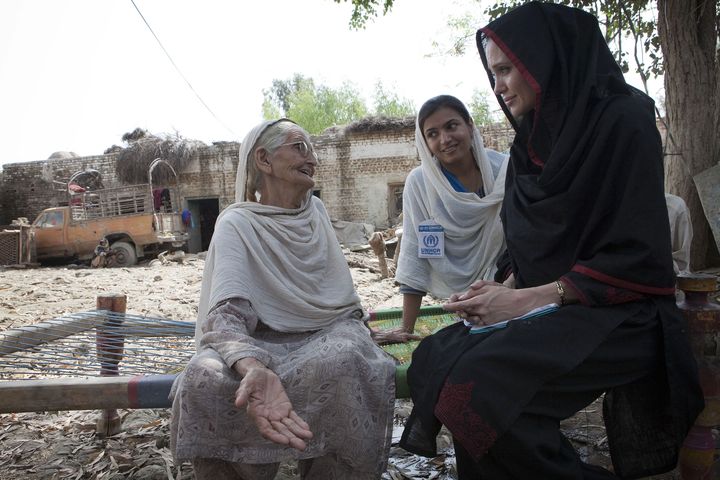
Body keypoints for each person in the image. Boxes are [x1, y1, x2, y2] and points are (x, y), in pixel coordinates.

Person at [399, 3, 703, 479]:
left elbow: (637, 252)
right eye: (492, 72)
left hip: (621, 311)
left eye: (505, 69)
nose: (496, 86)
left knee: (482, 390)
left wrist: (527, 301)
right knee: (438, 359)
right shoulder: (531, 143)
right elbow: (531, 244)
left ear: (545, 59)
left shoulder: (625, 120)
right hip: (551, 309)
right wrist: (502, 288)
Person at [170, 119, 396, 479]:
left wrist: (364, 332)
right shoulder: (236, 223)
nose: (312, 159)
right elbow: (227, 314)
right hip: (255, 339)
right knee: (204, 377)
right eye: (299, 147)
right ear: (263, 159)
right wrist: (254, 368)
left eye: (312, 148)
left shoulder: (316, 214)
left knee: (346, 359)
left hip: (324, 333)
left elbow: (337, 303)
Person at [394, 95, 508, 335]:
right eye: (432, 134)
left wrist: (505, 292)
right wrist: (405, 329)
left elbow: (523, 240)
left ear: (469, 125)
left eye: (451, 126)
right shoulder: (420, 184)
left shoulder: (505, 171)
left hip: (509, 285)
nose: (445, 140)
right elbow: (416, 253)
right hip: (455, 299)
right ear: (424, 142)